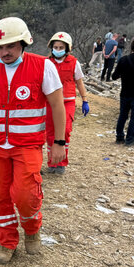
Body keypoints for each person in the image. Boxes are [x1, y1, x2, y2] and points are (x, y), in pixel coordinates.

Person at [0, 17, 65, 264]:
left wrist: (59, 143)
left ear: (23, 43)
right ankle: (6, 242)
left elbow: (57, 105)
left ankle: (32, 230)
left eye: (9, 46)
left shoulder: (43, 67)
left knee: (26, 195)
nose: (4, 52)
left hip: (28, 145)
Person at [44, 32, 90, 174]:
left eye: (61, 47)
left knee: (65, 131)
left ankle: (62, 162)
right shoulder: (46, 63)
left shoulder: (74, 63)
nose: (58, 50)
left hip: (67, 101)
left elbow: (79, 82)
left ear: (67, 48)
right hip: (50, 102)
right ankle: (52, 162)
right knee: (50, 132)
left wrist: (85, 100)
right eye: (55, 47)